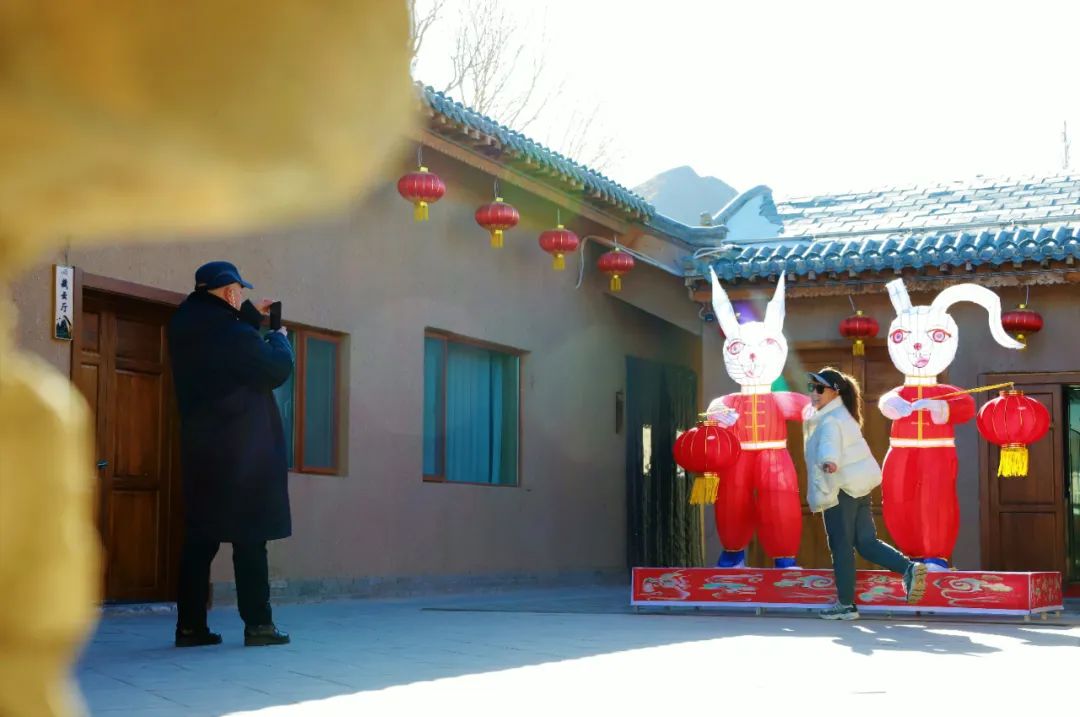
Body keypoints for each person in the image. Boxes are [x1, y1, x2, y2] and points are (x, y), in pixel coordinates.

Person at [168, 261, 294, 646]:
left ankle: (190, 627)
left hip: (201, 453)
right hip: (242, 451)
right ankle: (259, 626)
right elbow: (275, 369)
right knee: (250, 539)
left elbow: (228, 342)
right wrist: (279, 338)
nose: (241, 297)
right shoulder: (233, 335)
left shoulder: (184, 325)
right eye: (239, 292)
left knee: (200, 541)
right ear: (227, 292)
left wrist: (252, 315)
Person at [803, 368, 928, 621]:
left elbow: (829, 445)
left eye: (819, 388)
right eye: (811, 387)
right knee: (866, 542)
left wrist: (829, 462)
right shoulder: (843, 415)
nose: (814, 393)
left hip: (840, 489)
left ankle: (846, 605)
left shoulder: (830, 419)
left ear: (835, 392)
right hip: (858, 488)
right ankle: (908, 568)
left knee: (841, 546)